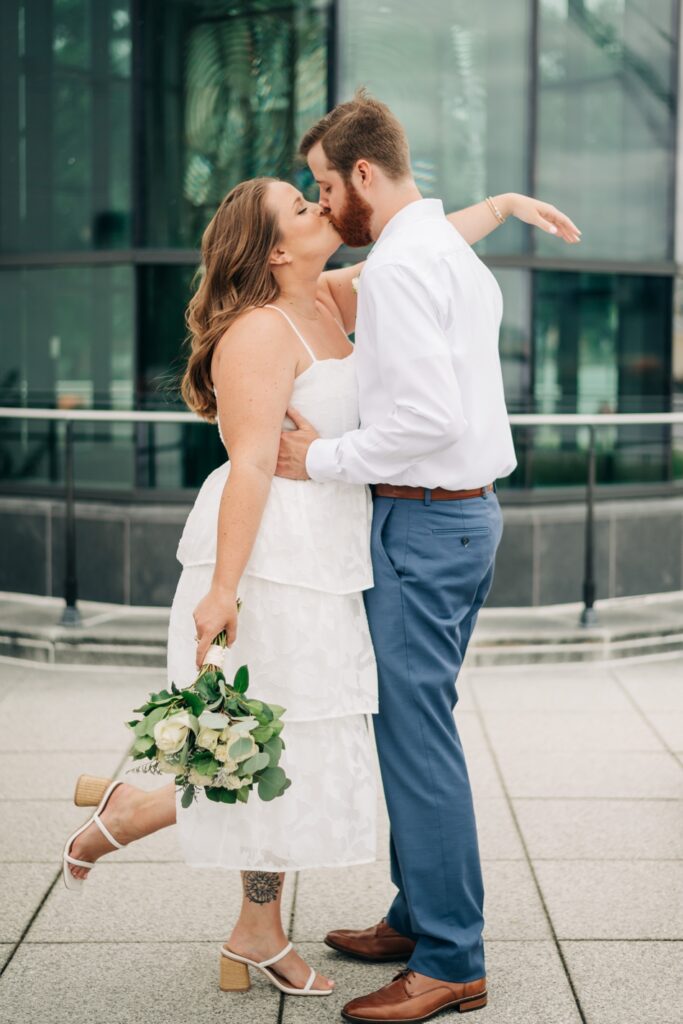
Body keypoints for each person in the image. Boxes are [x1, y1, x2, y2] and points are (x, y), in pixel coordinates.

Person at [60, 104, 579, 1004]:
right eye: (301, 207)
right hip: (281, 551)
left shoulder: (337, 294)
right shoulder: (263, 328)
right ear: (271, 249)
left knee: (322, 733)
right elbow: (252, 463)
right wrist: (223, 588)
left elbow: (419, 245)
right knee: (280, 727)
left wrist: (496, 205)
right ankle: (239, 898)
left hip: (351, 542)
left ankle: (156, 819)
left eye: (321, 190)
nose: (319, 208)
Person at [274, 90, 580, 1022]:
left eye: (326, 185)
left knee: (417, 743)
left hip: (424, 521)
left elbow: (421, 421)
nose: (323, 204)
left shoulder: (404, 268)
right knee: (416, 727)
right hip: (457, 517)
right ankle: (417, 917)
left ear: (363, 172)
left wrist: (314, 457)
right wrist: (508, 204)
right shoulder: (435, 244)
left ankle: (450, 959)